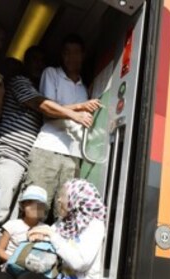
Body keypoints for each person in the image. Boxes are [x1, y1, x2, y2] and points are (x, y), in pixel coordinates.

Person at [0, 48, 97, 223]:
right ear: (26, 62)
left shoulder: (35, 89)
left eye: (42, 60)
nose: (39, 64)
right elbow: (42, 106)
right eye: (34, 59)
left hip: (24, 157)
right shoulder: (20, 82)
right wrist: (78, 111)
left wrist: (83, 102)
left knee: (12, 215)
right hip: (10, 153)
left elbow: (49, 107)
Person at [24, 34, 101, 214]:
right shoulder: (51, 73)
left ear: (83, 55)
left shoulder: (85, 88)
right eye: (66, 53)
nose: (70, 58)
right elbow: (47, 109)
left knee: (64, 215)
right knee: (34, 211)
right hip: (48, 148)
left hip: (74, 157)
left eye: (75, 53)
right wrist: (78, 111)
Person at [0, 185, 48, 264]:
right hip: (10, 266)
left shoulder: (46, 229)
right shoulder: (12, 225)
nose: (34, 207)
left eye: (39, 204)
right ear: (23, 206)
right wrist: (15, 262)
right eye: (30, 202)